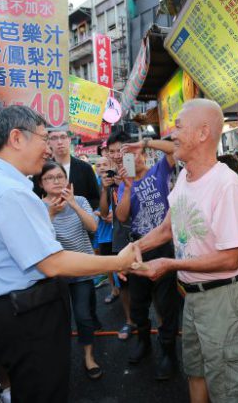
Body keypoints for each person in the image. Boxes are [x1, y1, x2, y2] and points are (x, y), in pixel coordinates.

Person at [0, 105, 138, 402]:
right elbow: (52, 262)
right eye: (44, 139)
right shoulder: (8, 192)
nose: (48, 149)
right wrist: (119, 261)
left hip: (13, 309)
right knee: (43, 390)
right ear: (17, 138)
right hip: (28, 312)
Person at [133, 99, 238, 403]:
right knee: (196, 371)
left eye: (178, 127)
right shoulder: (184, 179)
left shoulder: (226, 184)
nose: (172, 135)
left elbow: (230, 258)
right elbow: (166, 229)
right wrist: (132, 249)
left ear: (203, 133)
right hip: (193, 296)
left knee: (229, 388)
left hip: (224, 300)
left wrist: (169, 264)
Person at [115, 135, 181, 380]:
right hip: (138, 249)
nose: (134, 160)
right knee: (138, 304)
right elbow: (122, 217)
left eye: (136, 155)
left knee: (166, 304)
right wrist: (127, 188)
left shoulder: (158, 171)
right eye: (128, 158)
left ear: (143, 155)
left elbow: (173, 149)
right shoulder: (124, 184)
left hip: (163, 246)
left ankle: (169, 353)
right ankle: (143, 342)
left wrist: (144, 143)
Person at [35, 161, 104, 380]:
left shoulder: (80, 200)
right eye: (49, 178)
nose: (55, 181)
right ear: (41, 183)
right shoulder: (37, 206)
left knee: (83, 315)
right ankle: (58, 358)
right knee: (58, 319)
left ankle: (89, 356)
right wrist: (51, 214)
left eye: (60, 177)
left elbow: (93, 227)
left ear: (67, 180)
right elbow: (37, 239)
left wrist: (73, 203)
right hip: (55, 273)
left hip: (82, 268)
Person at [99, 129, 136, 340]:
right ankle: (129, 321)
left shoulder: (137, 171)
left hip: (142, 235)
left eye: (119, 150)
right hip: (120, 237)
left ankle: (160, 324)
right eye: (111, 151)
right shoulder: (110, 176)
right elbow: (104, 212)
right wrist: (105, 188)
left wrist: (124, 184)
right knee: (123, 282)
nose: (115, 155)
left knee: (152, 282)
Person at [49, 128, 100, 210]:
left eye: (63, 137)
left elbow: (95, 199)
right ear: (48, 142)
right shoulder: (43, 169)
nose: (59, 142)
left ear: (69, 140)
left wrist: (81, 212)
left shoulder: (85, 168)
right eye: (54, 138)